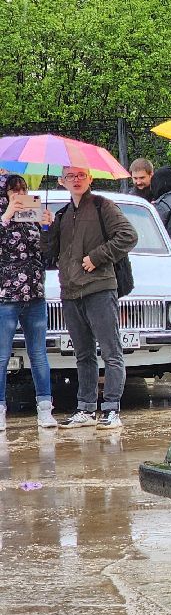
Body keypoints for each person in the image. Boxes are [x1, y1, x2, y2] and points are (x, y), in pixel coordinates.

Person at [46, 166, 137, 430]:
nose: (76, 180)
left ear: (90, 178)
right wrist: (47, 226)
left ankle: (111, 409)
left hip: (99, 288)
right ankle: (85, 409)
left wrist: (97, 257)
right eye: (70, 176)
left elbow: (128, 235)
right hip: (71, 292)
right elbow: (50, 253)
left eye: (81, 175)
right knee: (83, 354)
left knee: (111, 352)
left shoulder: (102, 206)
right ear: (62, 181)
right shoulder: (62, 214)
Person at [0, 175, 58, 431]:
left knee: (39, 354)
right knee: (2, 356)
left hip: (35, 294)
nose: (19, 194)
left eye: (22, 189)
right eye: (13, 190)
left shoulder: (32, 216)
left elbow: (48, 255)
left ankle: (45, 409)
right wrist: (6, 217)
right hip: (6, 297)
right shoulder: (3, 216)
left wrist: (47, 227)